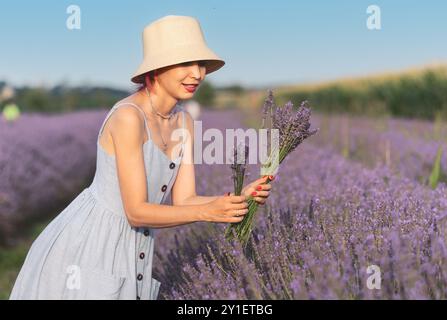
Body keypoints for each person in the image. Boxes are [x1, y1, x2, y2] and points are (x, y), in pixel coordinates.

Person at [9, 15, 273, 300]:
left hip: (135, 247)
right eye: (185, 63)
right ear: (156, 69)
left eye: (201, 65)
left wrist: (236, 200)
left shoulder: (183, 122)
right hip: (91, 247)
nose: (197, 74)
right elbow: (136, 211)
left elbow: (185, 201)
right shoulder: (128, 117)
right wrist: (207, 212)